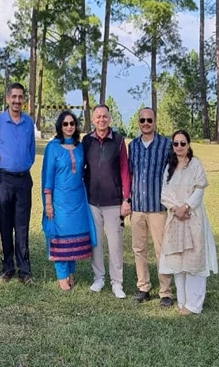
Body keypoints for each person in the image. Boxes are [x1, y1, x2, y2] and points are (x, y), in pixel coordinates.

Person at [160, 130, 218, 315]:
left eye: (182, 143)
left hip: (193, 218)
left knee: (194, 261)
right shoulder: (170, 167)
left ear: (189, 144)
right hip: (175, 220)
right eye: (176, 144)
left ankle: (194, 305)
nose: (179, 147)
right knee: (178, 260)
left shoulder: (196, 165)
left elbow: (199, 190)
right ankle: (182, 301)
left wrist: (185, 207)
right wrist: (175, 209)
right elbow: (165, 193)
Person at [41, 111, 98, 291]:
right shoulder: (53, 147)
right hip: (59, 200)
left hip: (78, 199)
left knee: (74, 236)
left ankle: (70, 272)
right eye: (65, 124)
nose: (69, 127)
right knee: (60, 235)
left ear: (76, 126)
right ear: (60, 126)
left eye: (72, 123)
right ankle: (62, 275)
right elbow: (48, 176)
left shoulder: (80, 147)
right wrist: (48, 203)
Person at [82, 103, 131, 299]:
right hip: (92, 201)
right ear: (93, 120)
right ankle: (99, 277)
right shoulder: (87, 141)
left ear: (110, 119)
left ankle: (117, 282)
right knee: (96, 243)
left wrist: (127, 199)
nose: (101, 120)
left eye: (105, 116)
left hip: (114, 202)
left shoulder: (119, 141)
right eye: (98, 117)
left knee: (115, 243)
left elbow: (125, 171)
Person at [0, 82, 36, 284]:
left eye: (20, 97)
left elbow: (32, 151)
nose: (17, 100)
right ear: (7, 98)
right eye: (13, 96)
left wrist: (22, 165)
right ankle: (7, 267)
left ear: (24, 99)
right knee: (6, 225)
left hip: (23, 180)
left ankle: (24, 270)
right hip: (4, 180)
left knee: (22, 226)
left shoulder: (28, 122)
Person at [128, 107, 174, 306]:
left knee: (161, 250)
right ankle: (143, 287)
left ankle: (165, 292)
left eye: (149, 120)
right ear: (138, 122)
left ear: (155, 121)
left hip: (158, 207)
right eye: (142, 120)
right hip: (137, 206)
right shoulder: (133, 146)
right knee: (139, 249)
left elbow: (174, 171)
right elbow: (129, 174)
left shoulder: (166, 144)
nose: (146, 123)